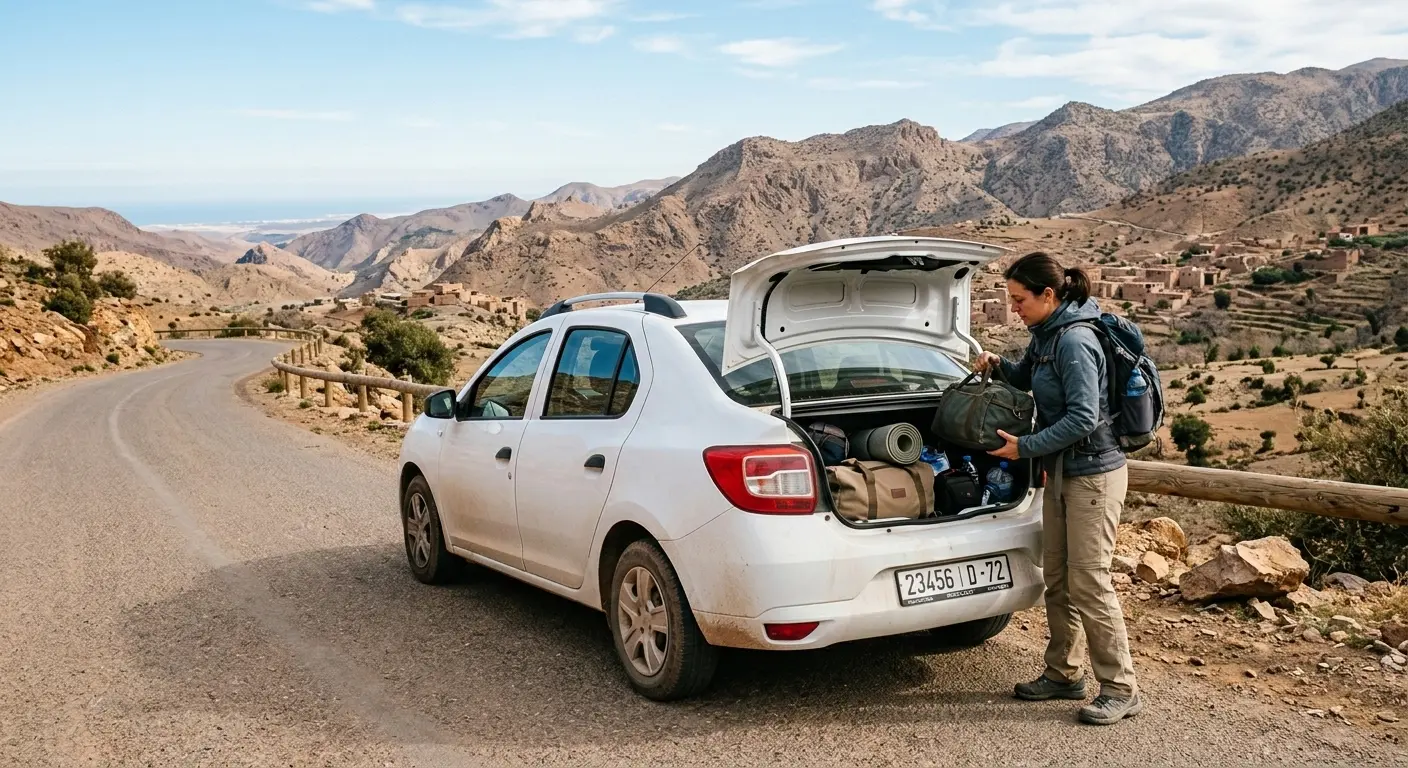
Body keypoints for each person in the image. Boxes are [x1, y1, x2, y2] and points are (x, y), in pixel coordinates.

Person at [974, 251, 1141, 726]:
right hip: (1064, 473)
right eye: (1010, 299)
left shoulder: (1074, 341)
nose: (1014, 309)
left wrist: (1024, 448)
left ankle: (1121, 687)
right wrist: (998, 363)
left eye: (1020, 299)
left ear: (1049, 295)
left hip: (1094, 475)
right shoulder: (1046, 335)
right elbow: (1027, 377)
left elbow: (1084, 417)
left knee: (1090, 582)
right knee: (1059, 579)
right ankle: (1064, 673)